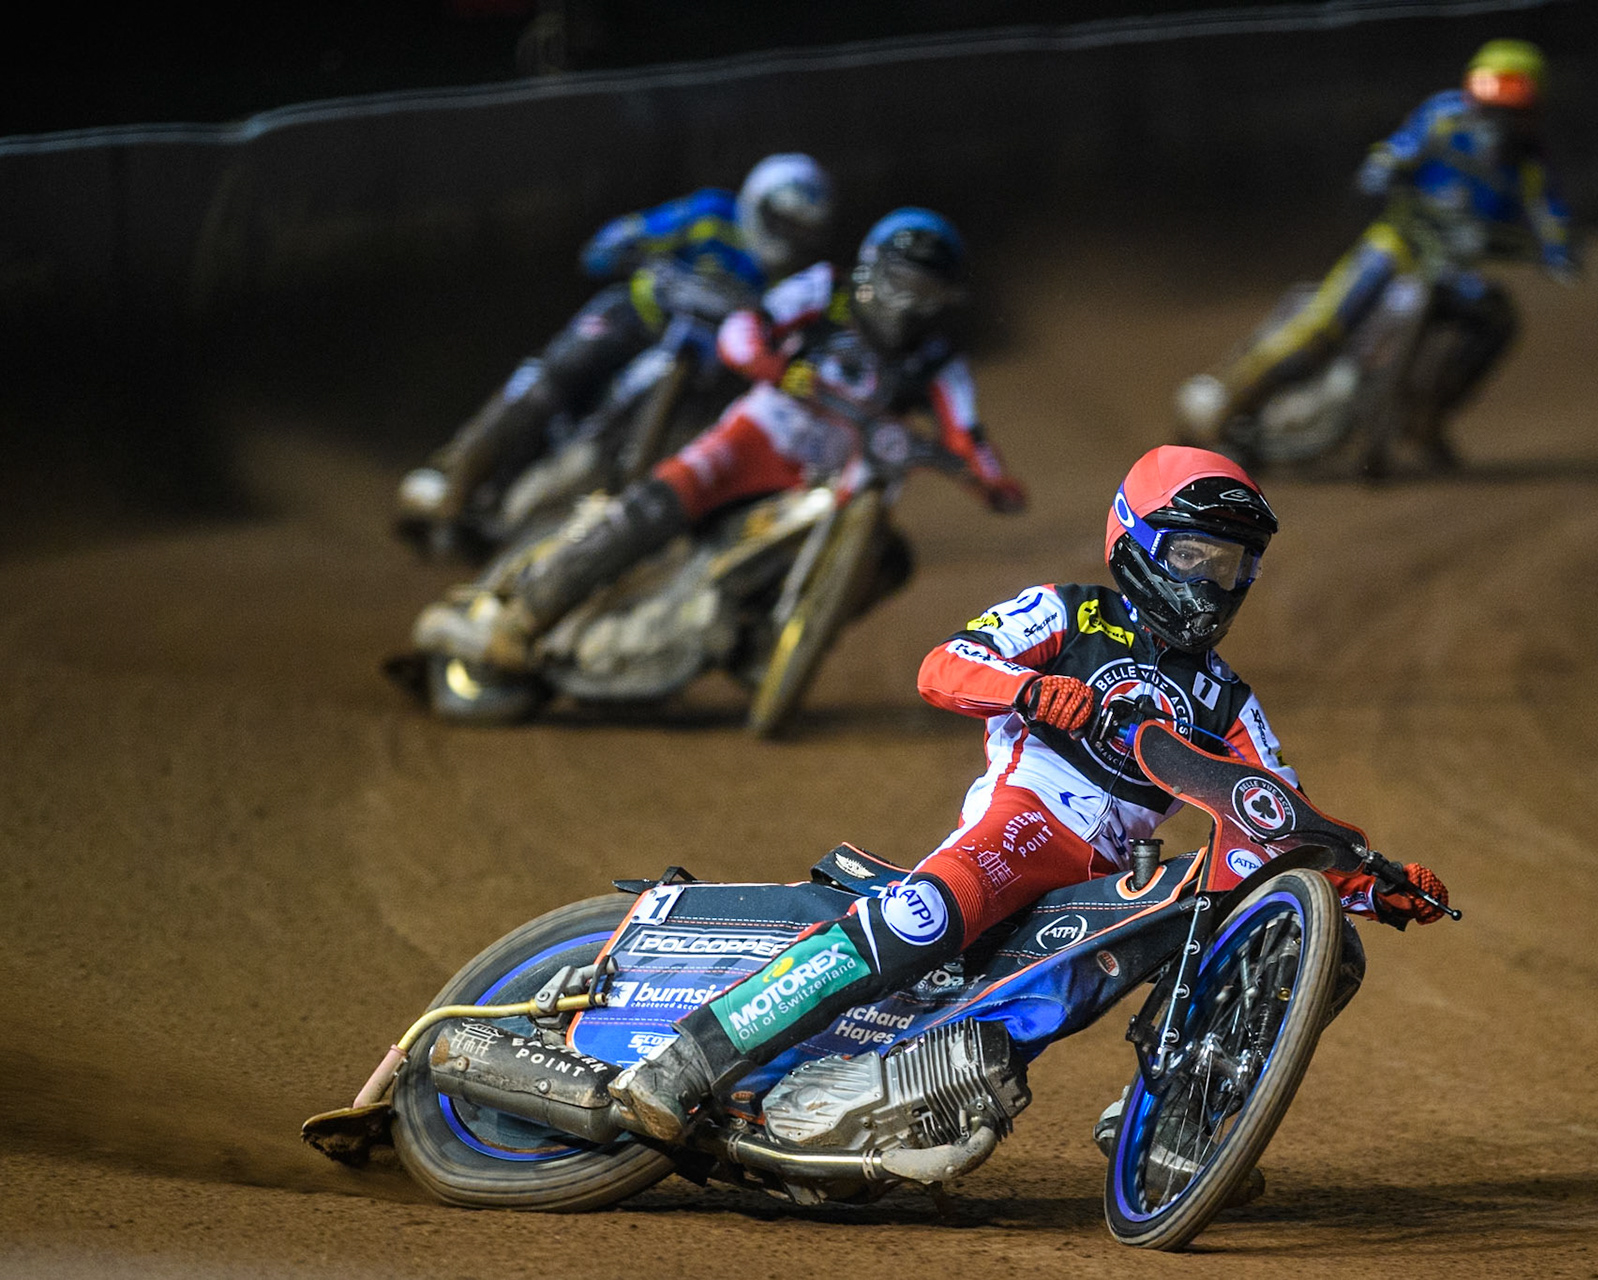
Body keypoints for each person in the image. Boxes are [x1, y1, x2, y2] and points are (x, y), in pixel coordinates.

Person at [608, 444, 1451, 1143]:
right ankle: (687, 1060)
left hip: (1110, 878)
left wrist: (1369, 882)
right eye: (1191, 555)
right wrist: (1028, 692)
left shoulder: (1230, 700)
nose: (1210, 581)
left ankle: (1174, 1125)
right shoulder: (1070, 613)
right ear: (1138, 543)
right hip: (1027, 822)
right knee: (921, 920)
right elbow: (941, 668)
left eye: (1229, 565)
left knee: (1258, 928)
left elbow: (1273, 812)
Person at [412, 207, 1026, 669]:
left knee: (891, 561)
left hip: (833, 481)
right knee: (652, 508)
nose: (909, 304)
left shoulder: (939, 362)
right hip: (754, 439)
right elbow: (742, 331)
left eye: (927, 292)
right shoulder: (824, 291)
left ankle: (767, 649)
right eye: (902, 282)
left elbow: (967, 430)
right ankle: (519, 621)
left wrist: (992, 481)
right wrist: (775, 366)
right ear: (872, 268)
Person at [1177, 38, 1579, 469]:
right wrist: (1379, 173)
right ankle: (1230, 404)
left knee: (1497, 322)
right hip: (1398, 243)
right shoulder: (1444, 117)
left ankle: (1425, 420)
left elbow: (1551, 217)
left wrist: (1558, 253)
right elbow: (1398, 150)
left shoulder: (1531, 166)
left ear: (1534, 101)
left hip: (1450, 271)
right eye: (1489, 87)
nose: (1498, 102)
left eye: (1512, 91)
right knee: (1323, 326)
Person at [396, 153, 836, 536]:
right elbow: (619, 239)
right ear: (757, 203)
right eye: (782, 221)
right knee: (548, 383)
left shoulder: (791, 281)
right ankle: (455, 478)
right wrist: (627, 247)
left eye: (799, 230)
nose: (786, 237)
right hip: (633, 322)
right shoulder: (711, 216)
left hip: (700, 372)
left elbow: (801, 326)